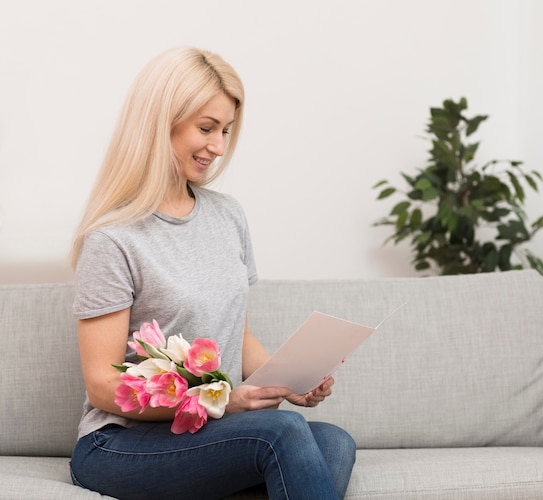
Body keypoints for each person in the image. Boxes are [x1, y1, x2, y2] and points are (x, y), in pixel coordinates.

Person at [69, 46, 356, 500]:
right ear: (159, 122)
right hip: (119, 444)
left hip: (200, 434)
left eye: (224, 130)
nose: (219, 147)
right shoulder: (113, 239)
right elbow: (105, 388)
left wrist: (291, 383)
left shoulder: (228, 216)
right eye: (206, 128)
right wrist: (223, 401)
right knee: (282, 433)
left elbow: (236, 338)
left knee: (334, 442)